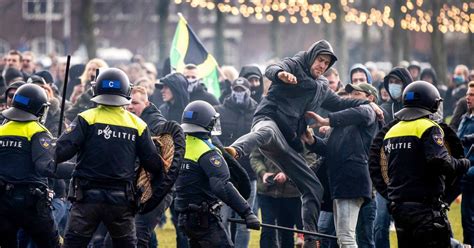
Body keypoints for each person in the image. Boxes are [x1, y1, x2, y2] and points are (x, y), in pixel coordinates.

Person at [225, 40, 383, 247]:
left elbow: (341, 103)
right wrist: (280, 75)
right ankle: (235, 150)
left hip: (289, 144)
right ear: (312, 57)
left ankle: (310, 238)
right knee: (265, 132)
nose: (322, 66)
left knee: (314, 187)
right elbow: (272, 69)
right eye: (320, 60)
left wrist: (368, 103)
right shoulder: (295, 65)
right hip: (269, 120)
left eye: (326, 63)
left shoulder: (322, 87)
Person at [55, 68, 164, 246]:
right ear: (126, 92)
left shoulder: (85, 118)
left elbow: (61, 152)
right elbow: (153, 164)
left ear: (97, 90)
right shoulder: (138, 124)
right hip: (121, 202)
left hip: (86, 200)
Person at [381, 81, 471, 247]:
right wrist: (462, 163)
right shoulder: (429, 127)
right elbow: (441, 162)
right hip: (425, 211)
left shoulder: (391, 131)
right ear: (431, 103)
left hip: (399, 210)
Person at [174, 100, 260, 247]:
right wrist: (247, 213)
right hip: (204, 220)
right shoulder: (208, 153)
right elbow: (222, 186)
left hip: (185, 218)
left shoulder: (181, 148)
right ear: (208, 123)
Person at [303, 82, 379, 248]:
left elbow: (364, 112)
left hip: (351, 182)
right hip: (339, 183)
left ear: (370, 98)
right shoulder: (343, 124)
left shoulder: (370, 111)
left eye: (357, 95)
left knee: (346, 238)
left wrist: (327, 120)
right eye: (350, 95)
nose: (352, 98)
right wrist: (312, 141)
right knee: (342, 238)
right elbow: (331, 149)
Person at [0, 84, 74, 247]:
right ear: (40, 109)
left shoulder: (2, 129)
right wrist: (78, 169)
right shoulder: (37, 131)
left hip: (3, 203)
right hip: (31, 204)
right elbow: (45, 167)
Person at [214, 77, 259, 248]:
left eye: (242, 89)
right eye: (236, 89)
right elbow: (214, 138)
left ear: (249, 91)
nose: (239, 93)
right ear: (231, 90)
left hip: (249, 174)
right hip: (226, 173)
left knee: (244, 222)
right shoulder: (219, 111)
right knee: (222, 219)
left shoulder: (257, 112)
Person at [457, 81, 474, 245]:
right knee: (466, 219)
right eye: (467, 94)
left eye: (472, 95)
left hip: (470, 175)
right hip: (463, 173)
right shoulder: (465, 118)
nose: (467, 98)